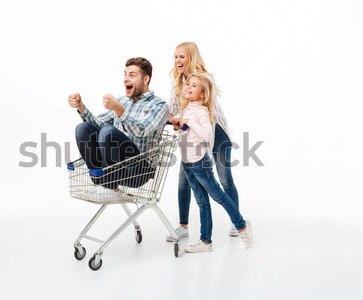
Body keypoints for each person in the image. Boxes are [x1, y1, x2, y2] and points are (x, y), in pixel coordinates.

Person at [166, 41, 241, 241]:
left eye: (182, 56)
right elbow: (173, 110)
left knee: (224, 178)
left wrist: (186, 119)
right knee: (183, 178)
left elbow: (204, 109)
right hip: (192, 135)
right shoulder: (177, 84)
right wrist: (173, 120)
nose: (177, 60)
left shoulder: (204, 79)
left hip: (215, 132)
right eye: (175, 56)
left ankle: (238, 222)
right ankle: (183, 226)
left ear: (191, 57)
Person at [172, 73, 252, 252]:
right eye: (188, 84)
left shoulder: (201, 111)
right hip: (187, 163)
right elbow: (190, 132)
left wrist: (189, 122)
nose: (188, 87)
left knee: (220, 197)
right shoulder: (187, 109)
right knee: (201, 201)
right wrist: (181, 126)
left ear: (202, 94)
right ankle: (205, 241)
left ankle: (242, 226)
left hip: (200, 164)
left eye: (194, 86)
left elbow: (207, 135)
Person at [68, 57, 168, 199]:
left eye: (132, 75)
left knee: (108, 132)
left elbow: (141, 130)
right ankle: (102, 183)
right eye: (125, 74)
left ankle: (108, 186)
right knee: (83, 128)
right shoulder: (122, 101)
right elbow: (98, 125)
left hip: (138, 170)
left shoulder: (159, 105)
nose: (125, 79)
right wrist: (81, 107)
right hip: (113, 168)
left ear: (145, 80)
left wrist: (118, 109)